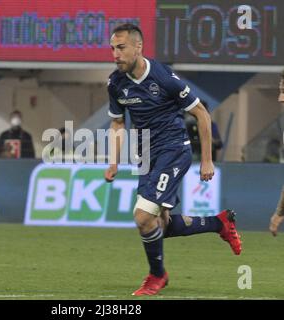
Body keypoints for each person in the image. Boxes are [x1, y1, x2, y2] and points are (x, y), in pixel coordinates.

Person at [104, 23, 242, 296]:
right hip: (144, 155)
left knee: (143, 217)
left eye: (121, 48)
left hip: (173, 149)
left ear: (138, 46)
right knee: (159, 225)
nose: (115, 54)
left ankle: (157, 275)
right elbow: (118, 123)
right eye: (112, 48)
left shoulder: (164, 77)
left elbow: (202, 113)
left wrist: (206, 160)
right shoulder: (115, 83)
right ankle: (220, 223)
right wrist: (113, 162)